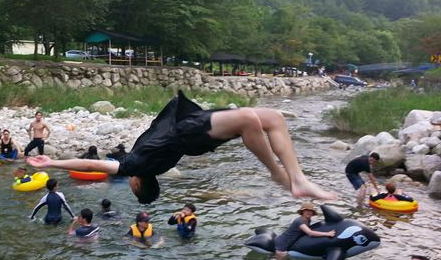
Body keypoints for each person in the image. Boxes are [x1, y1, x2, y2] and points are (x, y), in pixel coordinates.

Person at [28, 90, 336, 204]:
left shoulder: (145, 167)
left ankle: (295, 178)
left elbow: (94, 166)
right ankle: (281, 175)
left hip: (188, 127)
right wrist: (52, 163)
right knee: (250, 121)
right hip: (188, 132)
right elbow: (93, 165)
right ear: (136, 186)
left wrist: (53, 163)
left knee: (271, 117)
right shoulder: (138, 167)